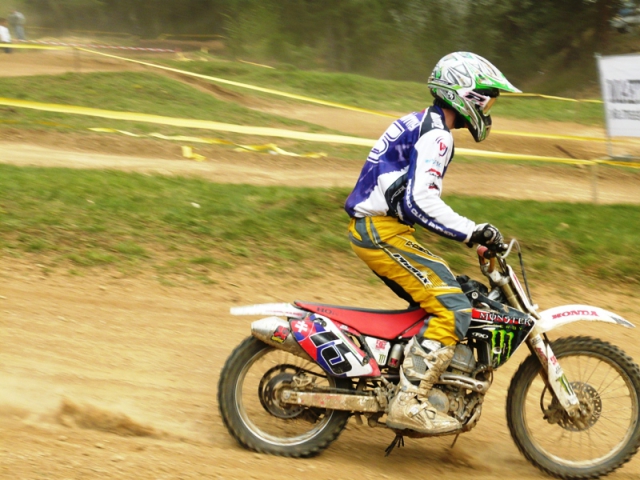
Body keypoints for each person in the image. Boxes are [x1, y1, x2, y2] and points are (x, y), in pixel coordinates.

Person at [344, 52, 520, 434]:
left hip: (384, 230)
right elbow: (419, 201)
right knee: (453, 309)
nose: (488, 110)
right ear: (466, 95)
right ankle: (408, 402)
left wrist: (470, 235)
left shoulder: (422, 121)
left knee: (456, 291)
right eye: (487, 100)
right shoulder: (438, 135)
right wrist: (473, 231)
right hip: (381, 232)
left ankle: (408, 378)